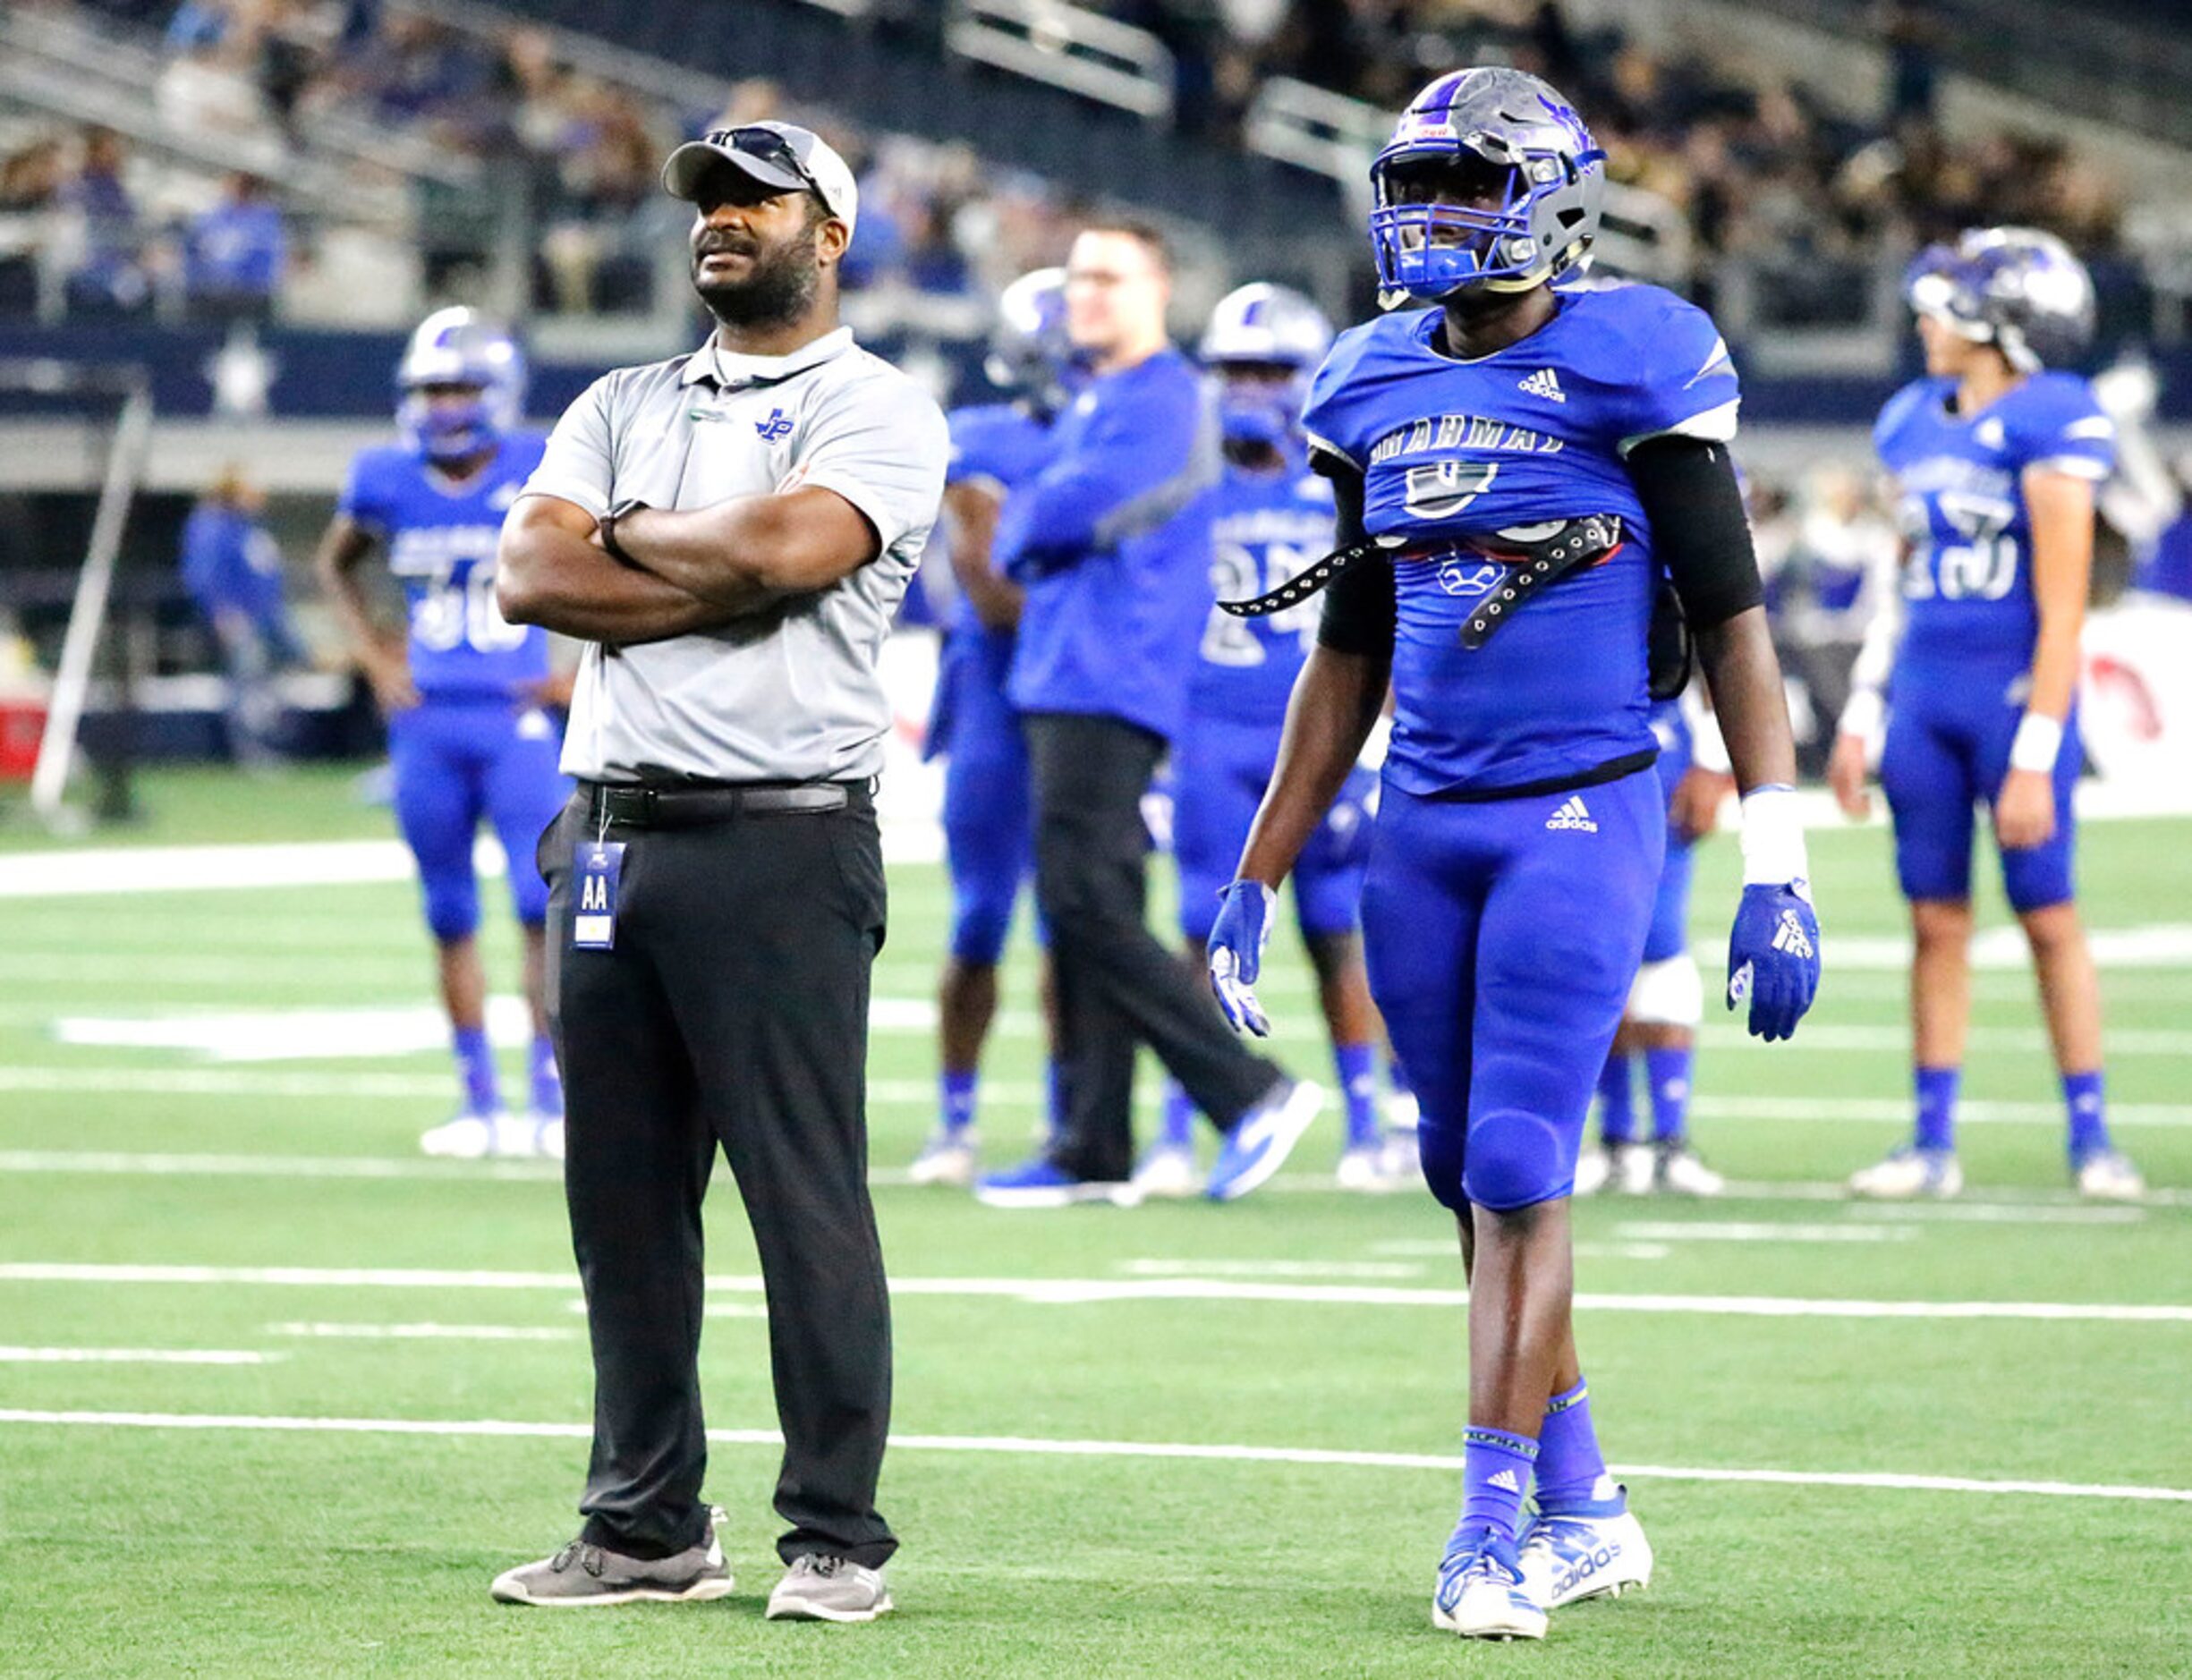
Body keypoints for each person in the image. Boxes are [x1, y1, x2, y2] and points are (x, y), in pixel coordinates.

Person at [1203, 68, 1820, 1640]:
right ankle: (1591, 1502)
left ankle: (1489, 1529)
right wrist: (1259, 870)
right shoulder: (1362, 380)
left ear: (1551, 197)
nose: (1431, 219)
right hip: (1422, 818)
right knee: (1453, 1173)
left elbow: (1738, 624)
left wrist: (1779, 853)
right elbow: (1343, 655)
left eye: (1465, 187)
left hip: (1582, 806)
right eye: (1416, 189)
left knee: (1518, 1161)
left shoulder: (1638, 356)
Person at [484, 121, 947, 1622]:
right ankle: (643, 1526)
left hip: (783, 835)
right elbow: (530, 575)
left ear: (833, 234)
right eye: (709, 200)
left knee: (802, 1195)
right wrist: (703, 565)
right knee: (619, 1201)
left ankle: (836, 1535)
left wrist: (635, 544)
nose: (723, 219)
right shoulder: (622, 396)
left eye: (760, 199)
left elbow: (789, 550)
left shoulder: (880, 408)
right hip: (609, 833)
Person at [973, 217, 1324, 1209]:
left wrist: (1024, 514)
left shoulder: (1167, 399)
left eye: (1109, 279)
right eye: (1078, 278)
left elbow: (1066, 510)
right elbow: (1049, 511)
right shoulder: (1106, 399)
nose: (1086, 295)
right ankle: (1091, 1142)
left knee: (1086, 903)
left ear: (1158, 292)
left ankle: (1249, 1090)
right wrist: (1033, 515)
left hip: (1107, 674)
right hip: (1068, 672)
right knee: (1083, 907)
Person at [1830, 227, 2142, 1202]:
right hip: (1922, 695)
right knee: (1933, 921)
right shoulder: (1909, 420)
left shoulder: (2054, 417)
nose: (1926, 320)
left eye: (1946, 305)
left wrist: (2036, 749)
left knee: (2047, 916)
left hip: (2010, 701)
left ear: (2003, 320)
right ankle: (1929, 1142)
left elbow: (2062, 608)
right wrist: (1857, 713)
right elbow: (1899, 576)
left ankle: (2090, 1139)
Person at [1139, 281, 1410, 1198]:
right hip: (1209, 737)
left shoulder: (1351, 482)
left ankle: (1367, 1126)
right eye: (1235, 371)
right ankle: (1185, 1127)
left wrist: (1380, 742)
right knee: (1191, 933)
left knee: (1337, 929)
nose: (1250, 388)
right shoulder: (1184, 484)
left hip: (1319, 739)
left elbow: (1390, 626)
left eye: (1270, 370)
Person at [314, 308, 571, 1160]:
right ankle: (477, 1102)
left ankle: (548, 1094)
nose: (445, 405)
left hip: (517, 712)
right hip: (427, 718)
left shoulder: (543, 466)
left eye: (460, 387)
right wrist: (375, 659)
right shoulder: (384, 477)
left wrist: (587, 666)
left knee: (542, 909)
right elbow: (335, 562)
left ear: (498, 391)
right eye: (431, 389)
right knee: (448, 912)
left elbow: (617, 561)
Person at [910, 267, 1082, 1187]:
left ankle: (1064, 1121)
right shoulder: (981, 440)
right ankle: (956, 1117)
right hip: (997, 700)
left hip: (1077, 708)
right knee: (980, 918)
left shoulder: (1122, 436)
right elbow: (992, 589)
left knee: (1070, 926)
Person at [1575, 691, 1734, 1196]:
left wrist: (1713, 758)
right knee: (1594, 946)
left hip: (1657, 727)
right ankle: (1618, 1138)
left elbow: (1718, 635)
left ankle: (1668, 1139)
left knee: (1660, 942)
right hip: (1572, 729)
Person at [179, 464, 305, 768]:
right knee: (245, 682)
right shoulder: (211, 525)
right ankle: (250, 752)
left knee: (287, 665)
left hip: (268, 615)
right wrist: (222, 612)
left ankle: (275, 729)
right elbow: (203, 575)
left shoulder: (248, 525)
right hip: (240, 617)